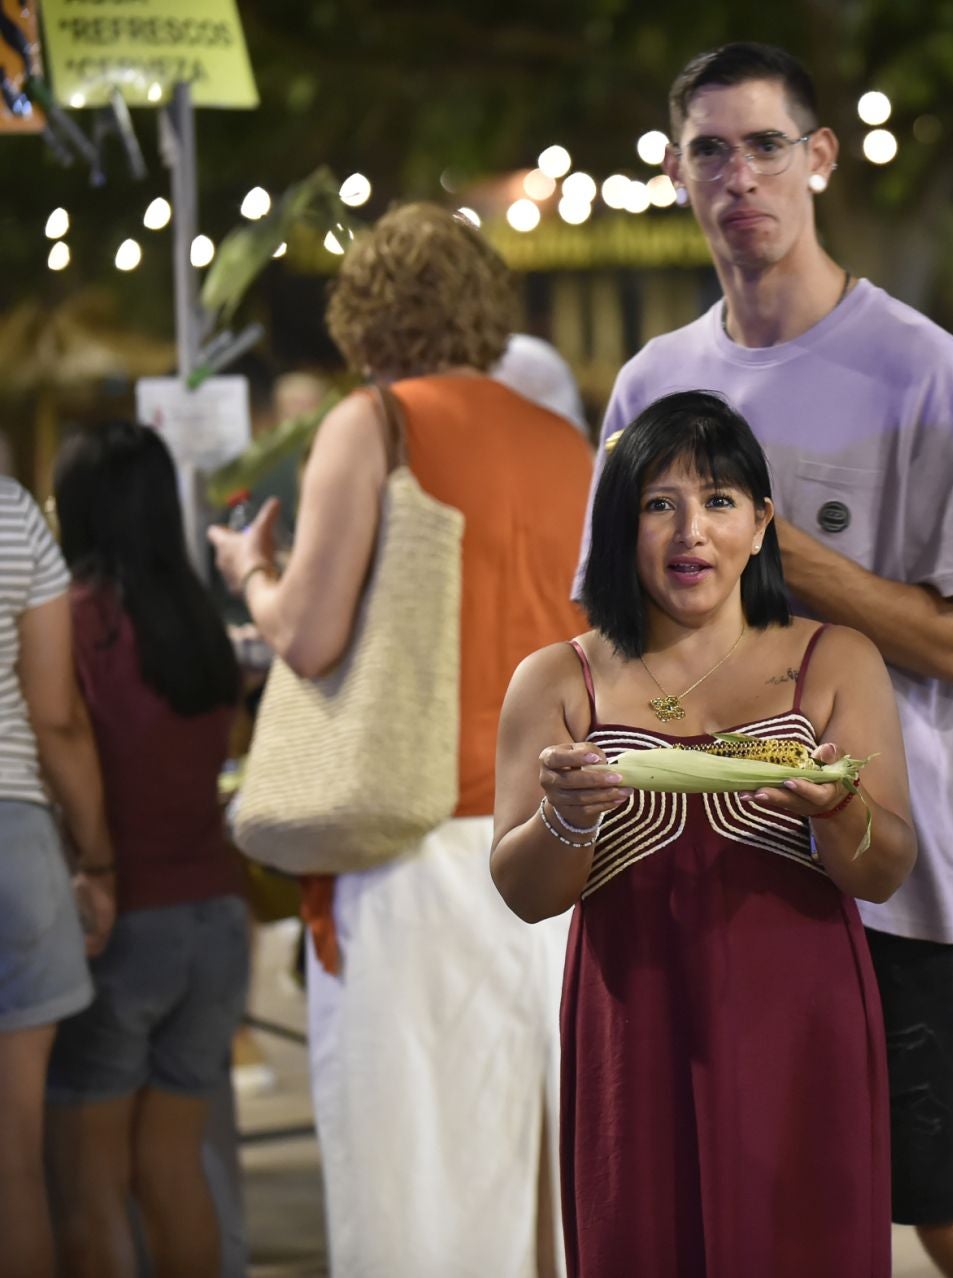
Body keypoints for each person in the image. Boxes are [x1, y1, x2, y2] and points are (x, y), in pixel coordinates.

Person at [573, 43, 953, 1276]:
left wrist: (801, 571)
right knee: (721, 1214)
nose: (741, 177)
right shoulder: (651, 382)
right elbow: (602, 631)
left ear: (819, 158)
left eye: (767, 145)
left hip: (876, 875)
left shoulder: (921, 369)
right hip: (684, 878)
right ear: (678, 174)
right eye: (711, 151)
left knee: (948, 1209)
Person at [207, 203, 593, 1276]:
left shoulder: (375, 424)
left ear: (364, 309)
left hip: (409, 844)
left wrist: (250, 571)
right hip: (558, 855)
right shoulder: (567, 445)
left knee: (415, 1178)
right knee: (540, 1180)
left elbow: (311, 632)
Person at [491, 391, 914, 1275]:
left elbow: (885, 871)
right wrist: (564, 818)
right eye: (659, 504)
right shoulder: (557, 679)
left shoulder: (834, 659)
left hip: (802, 1027)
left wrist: (836, 808)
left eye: (719, 501)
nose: (692, 531)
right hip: (631, 1023)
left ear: (761, 525)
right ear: (620, 526)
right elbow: (524, 894)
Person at [43, 422, 249, 1276]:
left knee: (90, 1187)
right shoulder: (198, 619)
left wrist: (92, 865)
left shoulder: (78, 624)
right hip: (217, 918)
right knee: (175, 1171)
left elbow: (62, 733)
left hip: (123, 921)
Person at [0, 476, 114, 1278]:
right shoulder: (9, 510)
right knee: (14, 1161)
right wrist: (97, 860)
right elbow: (55, 715)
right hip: (17, 842)